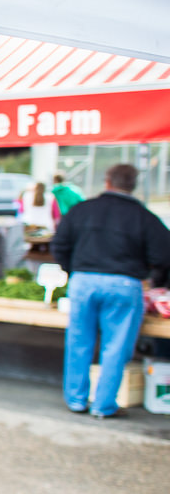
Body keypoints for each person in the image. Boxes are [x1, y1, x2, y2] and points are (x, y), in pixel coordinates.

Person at [51, 163, 170, 419]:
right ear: (133, 185)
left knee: (79, 342)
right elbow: (163, 255)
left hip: (83, 281)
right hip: (124, 285)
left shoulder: (82, 210)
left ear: (107, 181)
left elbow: (59, 244)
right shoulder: (144, 217)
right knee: (116, 347)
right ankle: (103, 405)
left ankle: (76, 399)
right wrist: (151, 276)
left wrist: (74, 270)